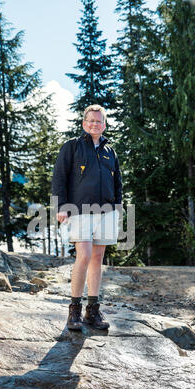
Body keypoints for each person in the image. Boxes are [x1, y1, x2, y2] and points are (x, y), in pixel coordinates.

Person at [52, 104, 123, 331]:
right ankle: (74, 310)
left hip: (107, 211)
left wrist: (118, 206)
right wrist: (61, 205)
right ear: (84, 123)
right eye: (90, 121)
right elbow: (59, 178)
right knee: (83, 255)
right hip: (79, 210)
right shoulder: (72, 147)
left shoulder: (110, 152)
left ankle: (92, 310)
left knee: (98, 257)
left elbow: (117, 181)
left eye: (99, 121)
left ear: (104, 124)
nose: (94, 124)